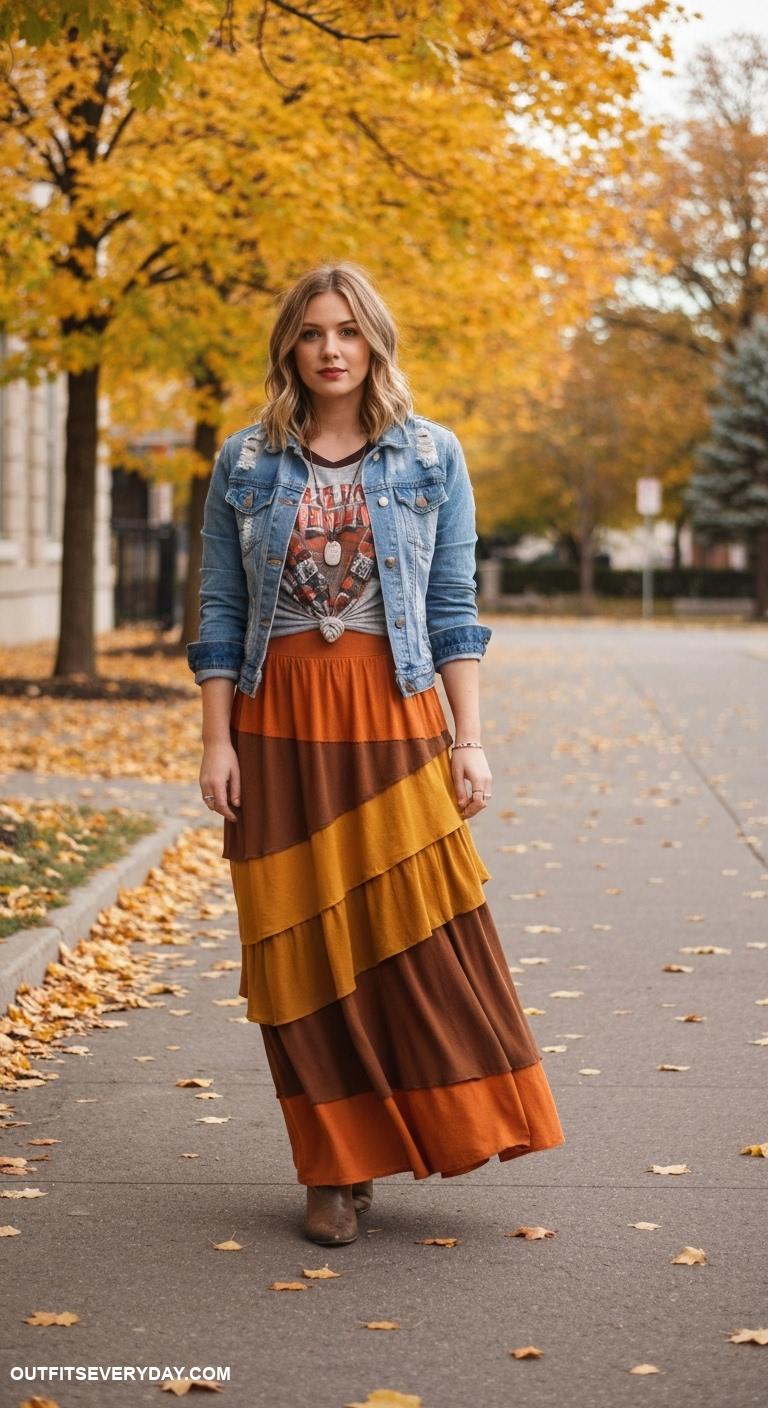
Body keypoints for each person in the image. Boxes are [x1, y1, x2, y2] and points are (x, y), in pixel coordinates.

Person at [186, 260, 565, 1247]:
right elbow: (222, 611)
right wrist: (215, 739)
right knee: (297, 952)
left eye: (347, 331)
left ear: (374, 342)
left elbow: (452, 609)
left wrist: (467, 740)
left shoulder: (431, 456)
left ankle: (432, 1123)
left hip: (394, 717)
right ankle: (332, 1164)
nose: (330, 349)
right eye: (313, 331)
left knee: (422, 942)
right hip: (279, 725)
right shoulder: (244, 462)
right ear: (291, 346)